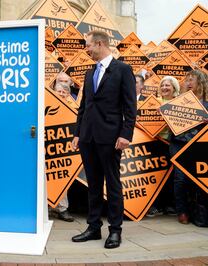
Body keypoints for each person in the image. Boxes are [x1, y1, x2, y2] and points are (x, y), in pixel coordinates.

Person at [71, 31, 137, 249]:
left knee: (113, 184)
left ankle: (115, 231)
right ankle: (93, 228)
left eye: (88, 45)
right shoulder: (89, 73)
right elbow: (84, 106)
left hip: (111, 137)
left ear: (100, 44)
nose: (86, 50)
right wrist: (77, 133)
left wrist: (126, 134)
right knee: (93, 184)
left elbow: (130, 106)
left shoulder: (123, 70)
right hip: (88, 137)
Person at [169, 70, 208, 224]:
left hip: (199, 147)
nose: (189, 83)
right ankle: (182, 211)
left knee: (198, 180)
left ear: (202, 83)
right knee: (180, 179)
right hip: (179, 144)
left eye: (193, 80)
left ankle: (198, 210)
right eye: (187, 80)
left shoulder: (206, 104)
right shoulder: (178, 101)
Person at [146, 76, 180, 218]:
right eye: (163, 85)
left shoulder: (179, 103)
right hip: (154, 142)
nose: (165, 88)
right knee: (155, 176)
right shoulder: (154, 102)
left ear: (175, 88)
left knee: (170, 177)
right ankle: (154, 205)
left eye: (168, 85)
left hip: (172, 143)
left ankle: (170, 205)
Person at [49, 82, 75, 222]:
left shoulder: (73, 109)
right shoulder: (46, 107)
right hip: (49, 150)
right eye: (58, 91)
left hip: (66, 151)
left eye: (64, 92)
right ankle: (46, 207)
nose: (61, 93)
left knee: (62, 179)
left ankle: (62, 208)